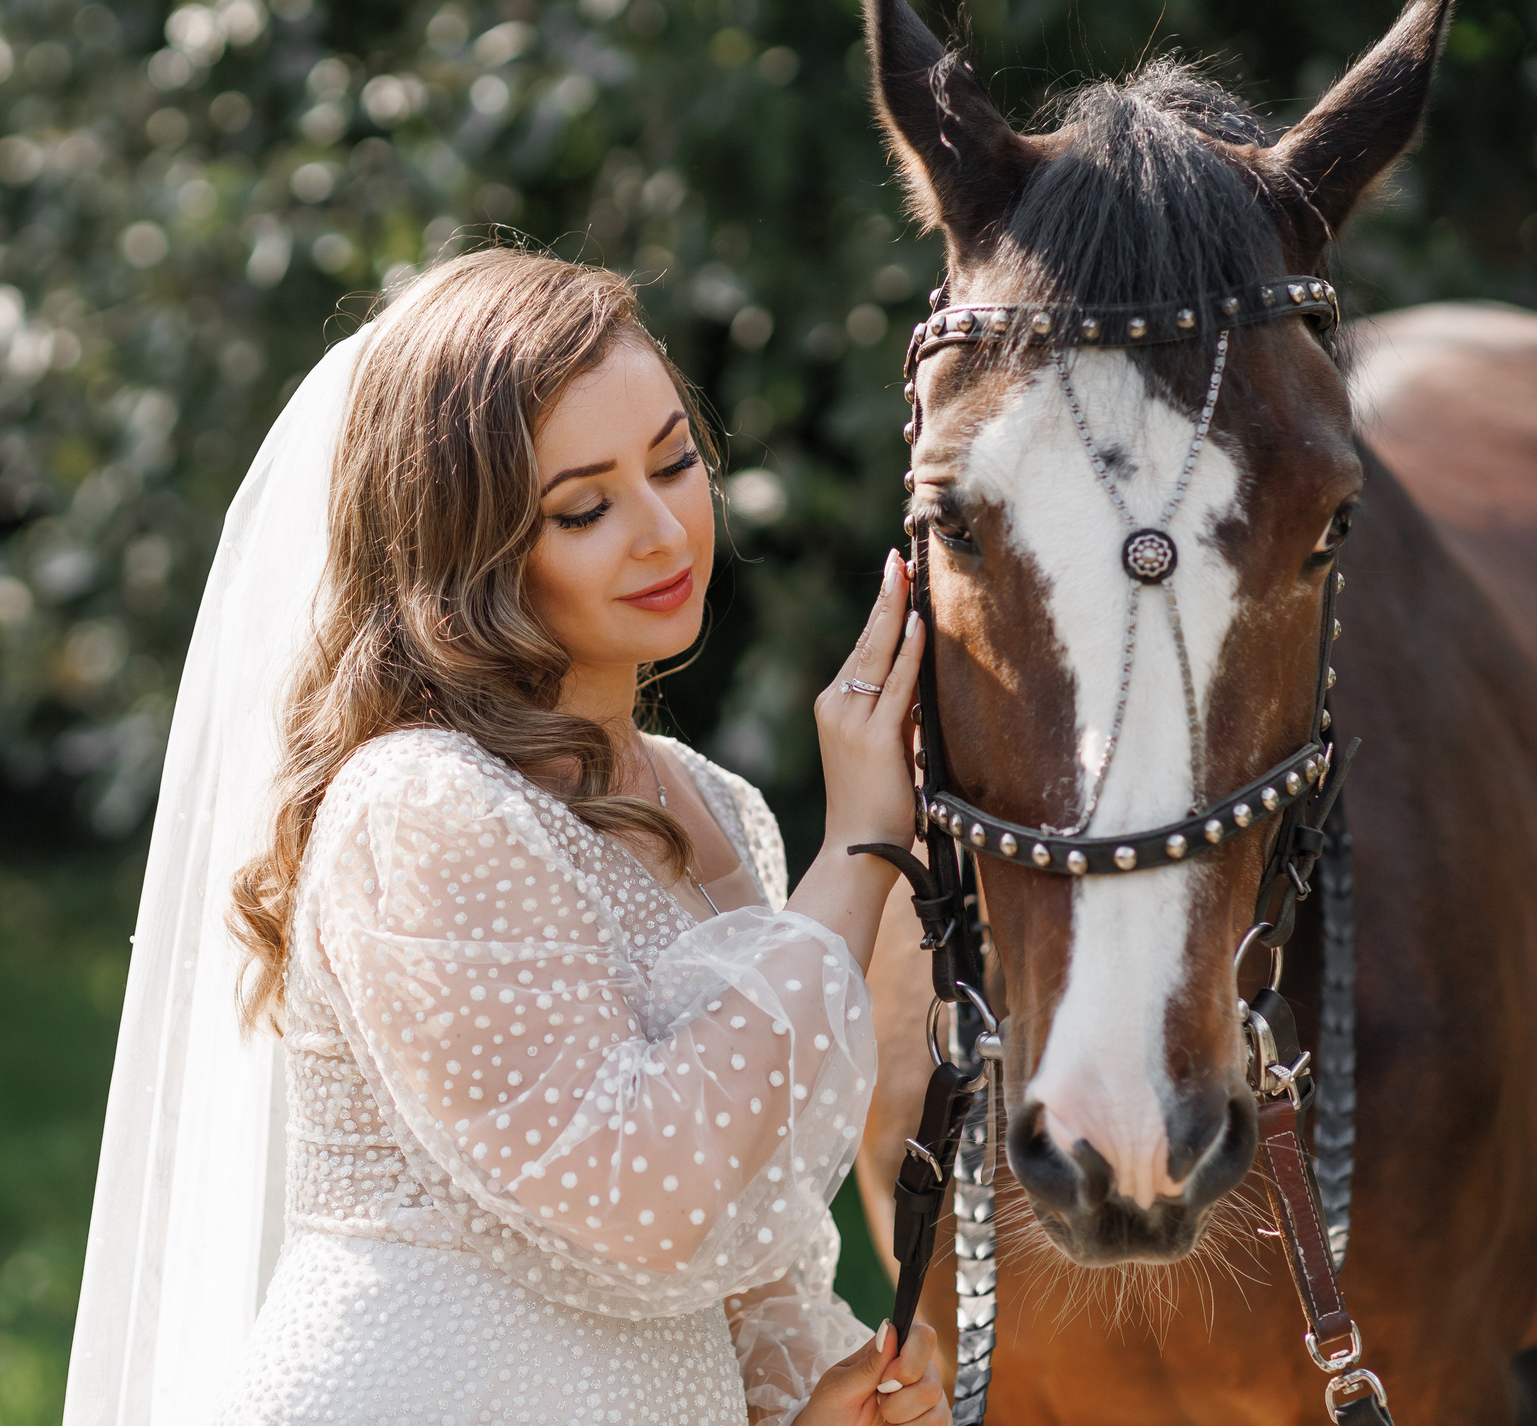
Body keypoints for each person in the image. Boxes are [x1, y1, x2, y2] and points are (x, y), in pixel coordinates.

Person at [62, 250, 942, 1426]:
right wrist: (860, 852)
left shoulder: (714, 808)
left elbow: (733, 1253)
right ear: (465, 551)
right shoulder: (422, 808)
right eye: (583, 506)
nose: (661, 530)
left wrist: (816, 1397)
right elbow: (644, 1190)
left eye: (675, 461)